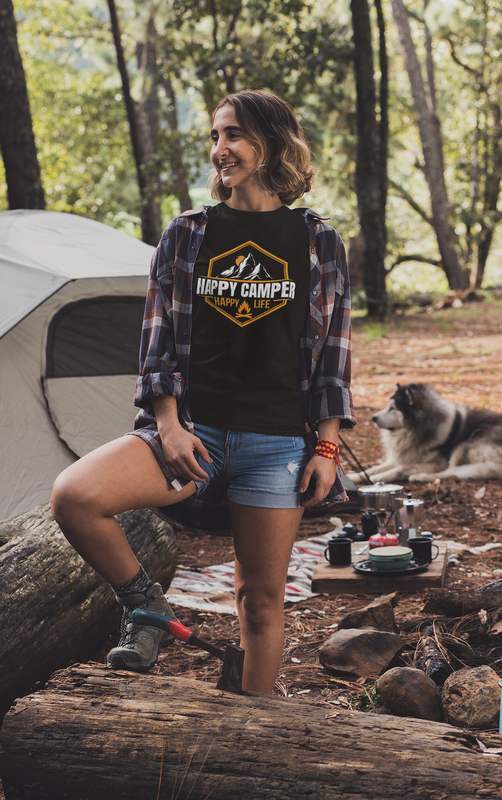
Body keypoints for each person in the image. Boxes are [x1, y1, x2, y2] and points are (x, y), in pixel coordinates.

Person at [51, 89, 355, 695]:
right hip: (193, 435)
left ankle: (251, 736)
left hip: (277, 445)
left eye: (234, 135)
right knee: (75, 495)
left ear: (272, 143)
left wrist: (326, 447)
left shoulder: (319, 243)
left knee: (260, 603)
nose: (220, 149)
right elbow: (156, 344)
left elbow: (334, 355)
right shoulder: (188, 234)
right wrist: (167, 424)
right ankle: (145, 607)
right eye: (215, 136)